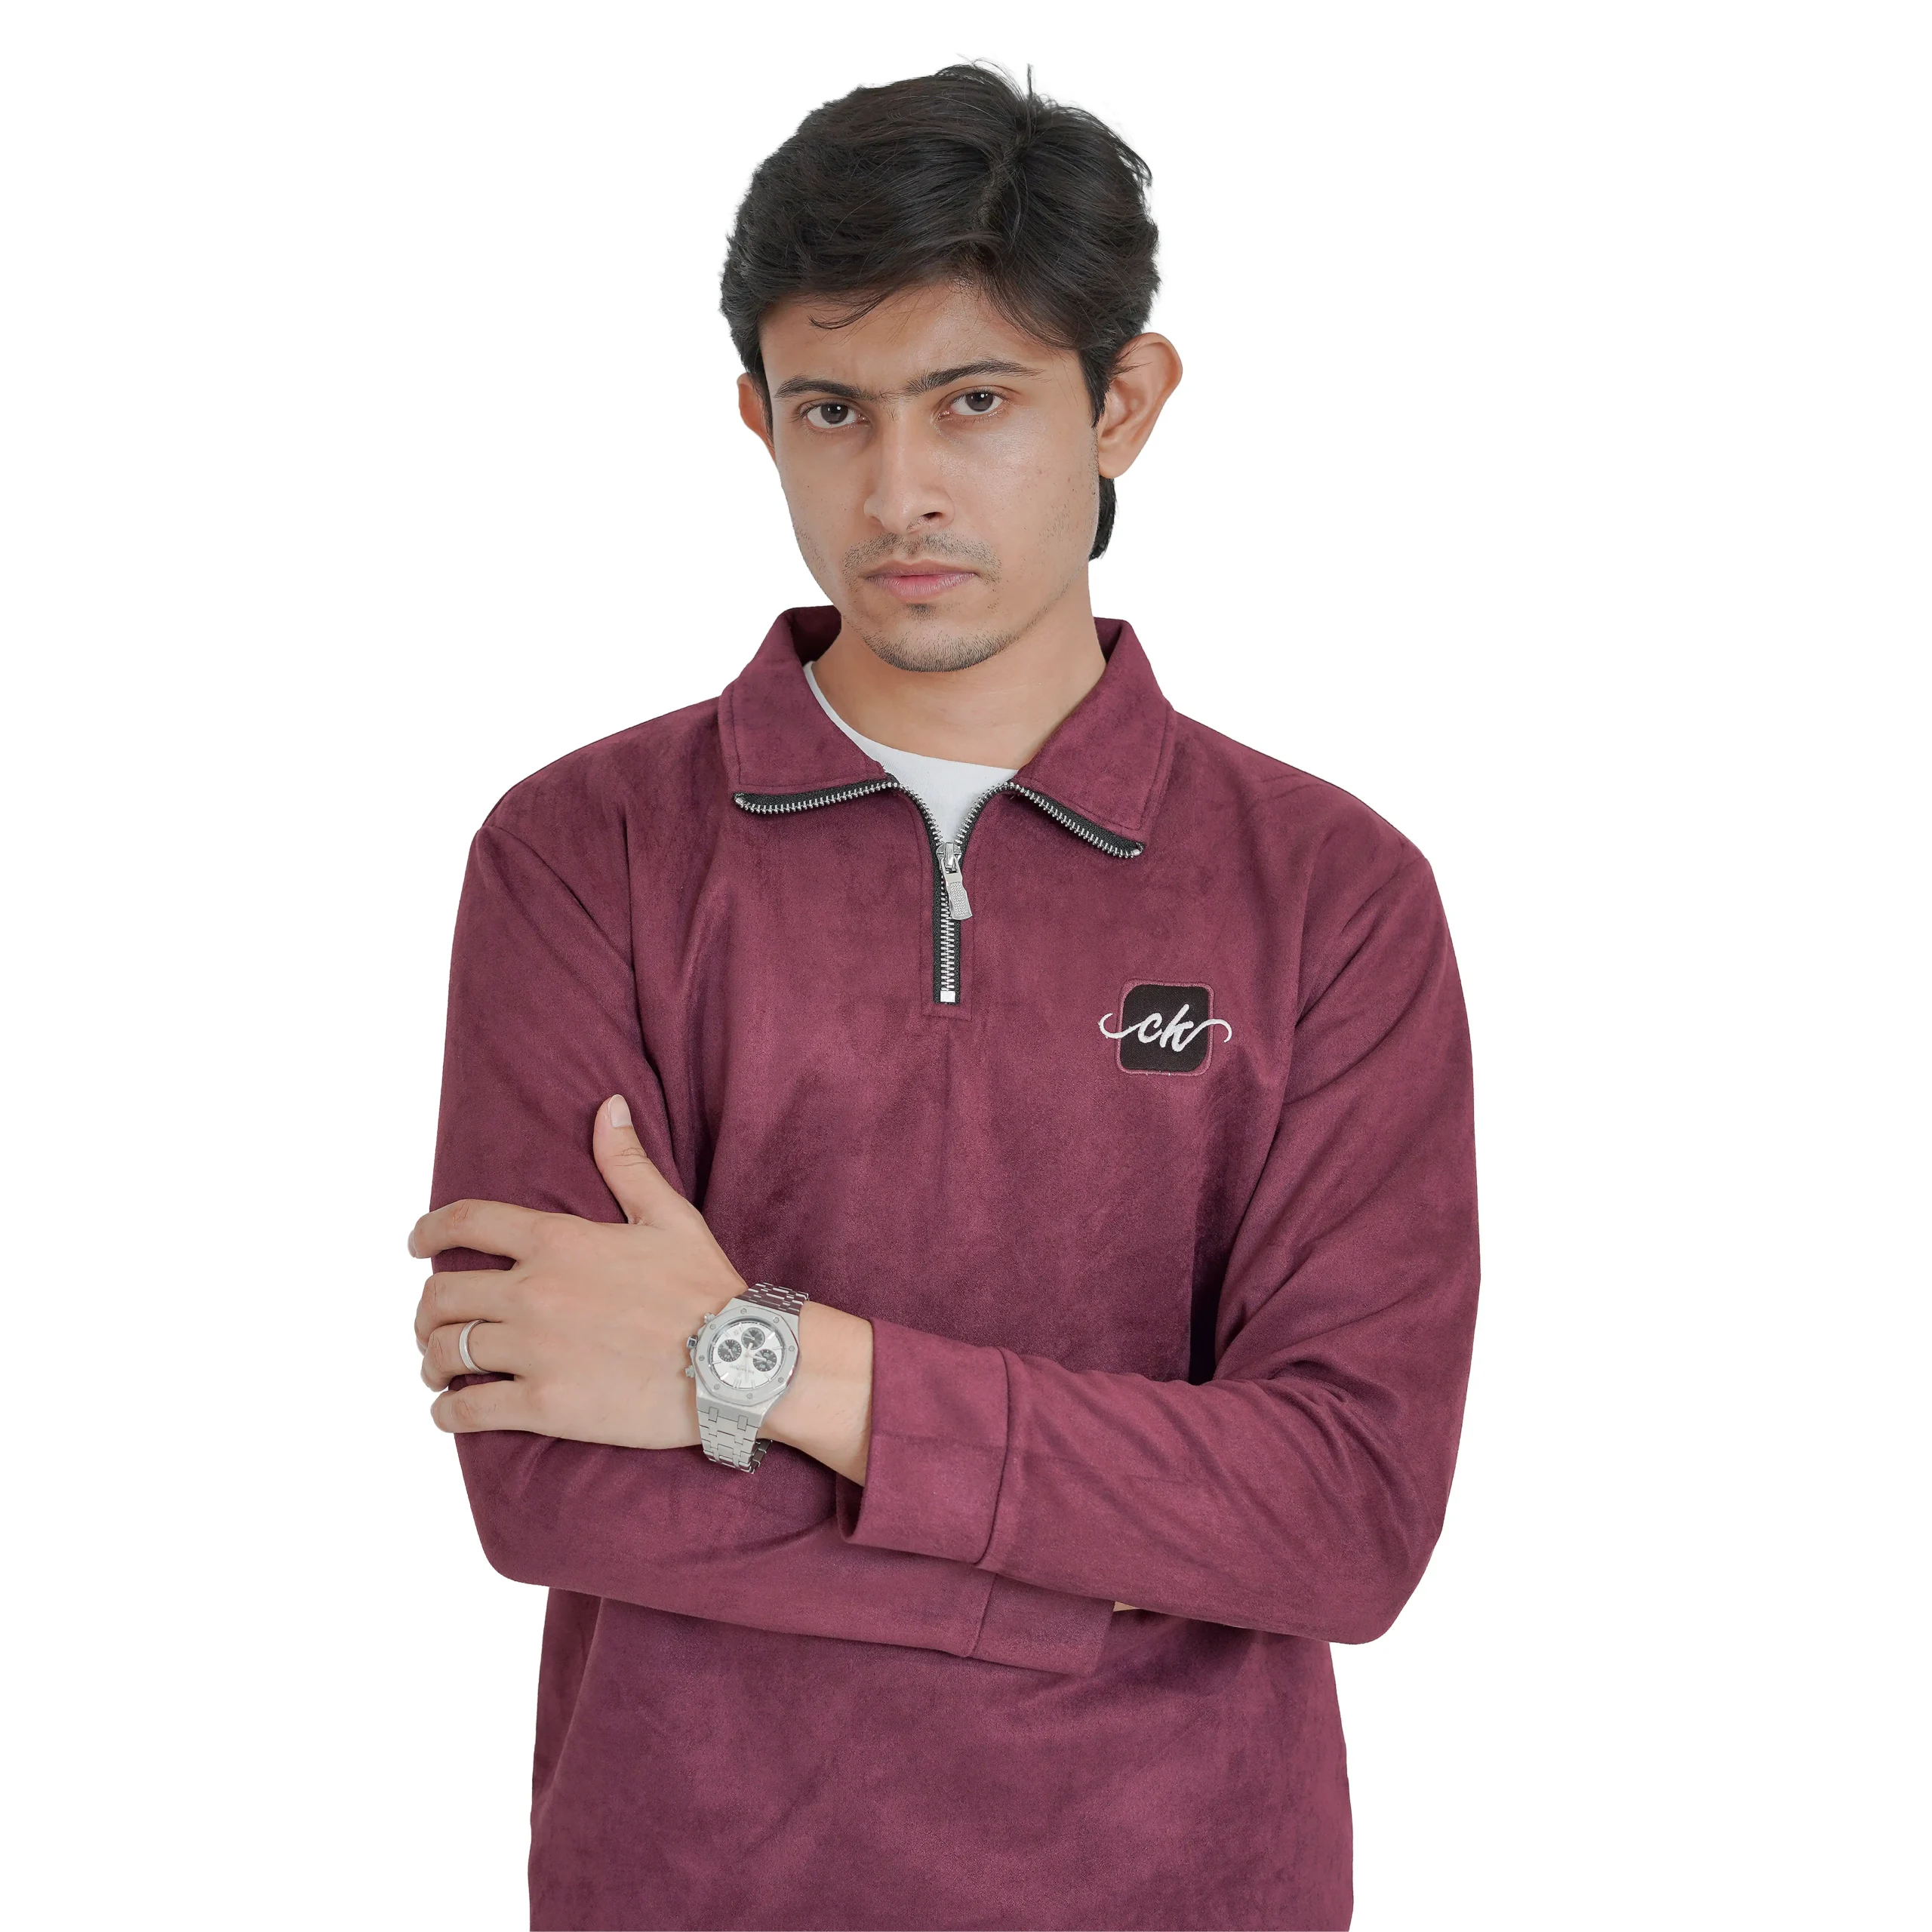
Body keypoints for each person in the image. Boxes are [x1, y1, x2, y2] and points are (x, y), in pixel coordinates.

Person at [410, 62, 1478, 1932]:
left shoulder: (1332, 892)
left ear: (1119, 403)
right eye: (833, 409)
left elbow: (1339, 1515)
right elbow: (548, 1475)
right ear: (759, 416)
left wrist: (747, 1359)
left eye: (973, 400)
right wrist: (1112, 1563)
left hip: (1185, 1889)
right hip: (693, 1884)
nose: (896, 489)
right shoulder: (582, 853)